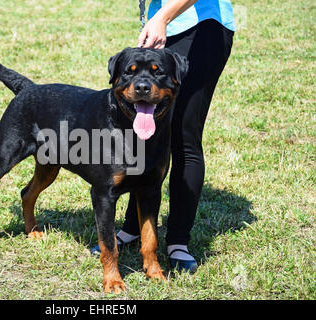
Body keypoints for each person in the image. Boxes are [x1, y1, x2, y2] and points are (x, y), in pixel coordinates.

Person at [91, 0, 235, 274]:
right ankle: (134, 228)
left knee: (184, 135)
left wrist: (163, 17)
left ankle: (178, 241)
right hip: (161, 21)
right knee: (144, 136)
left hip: (200, 26)